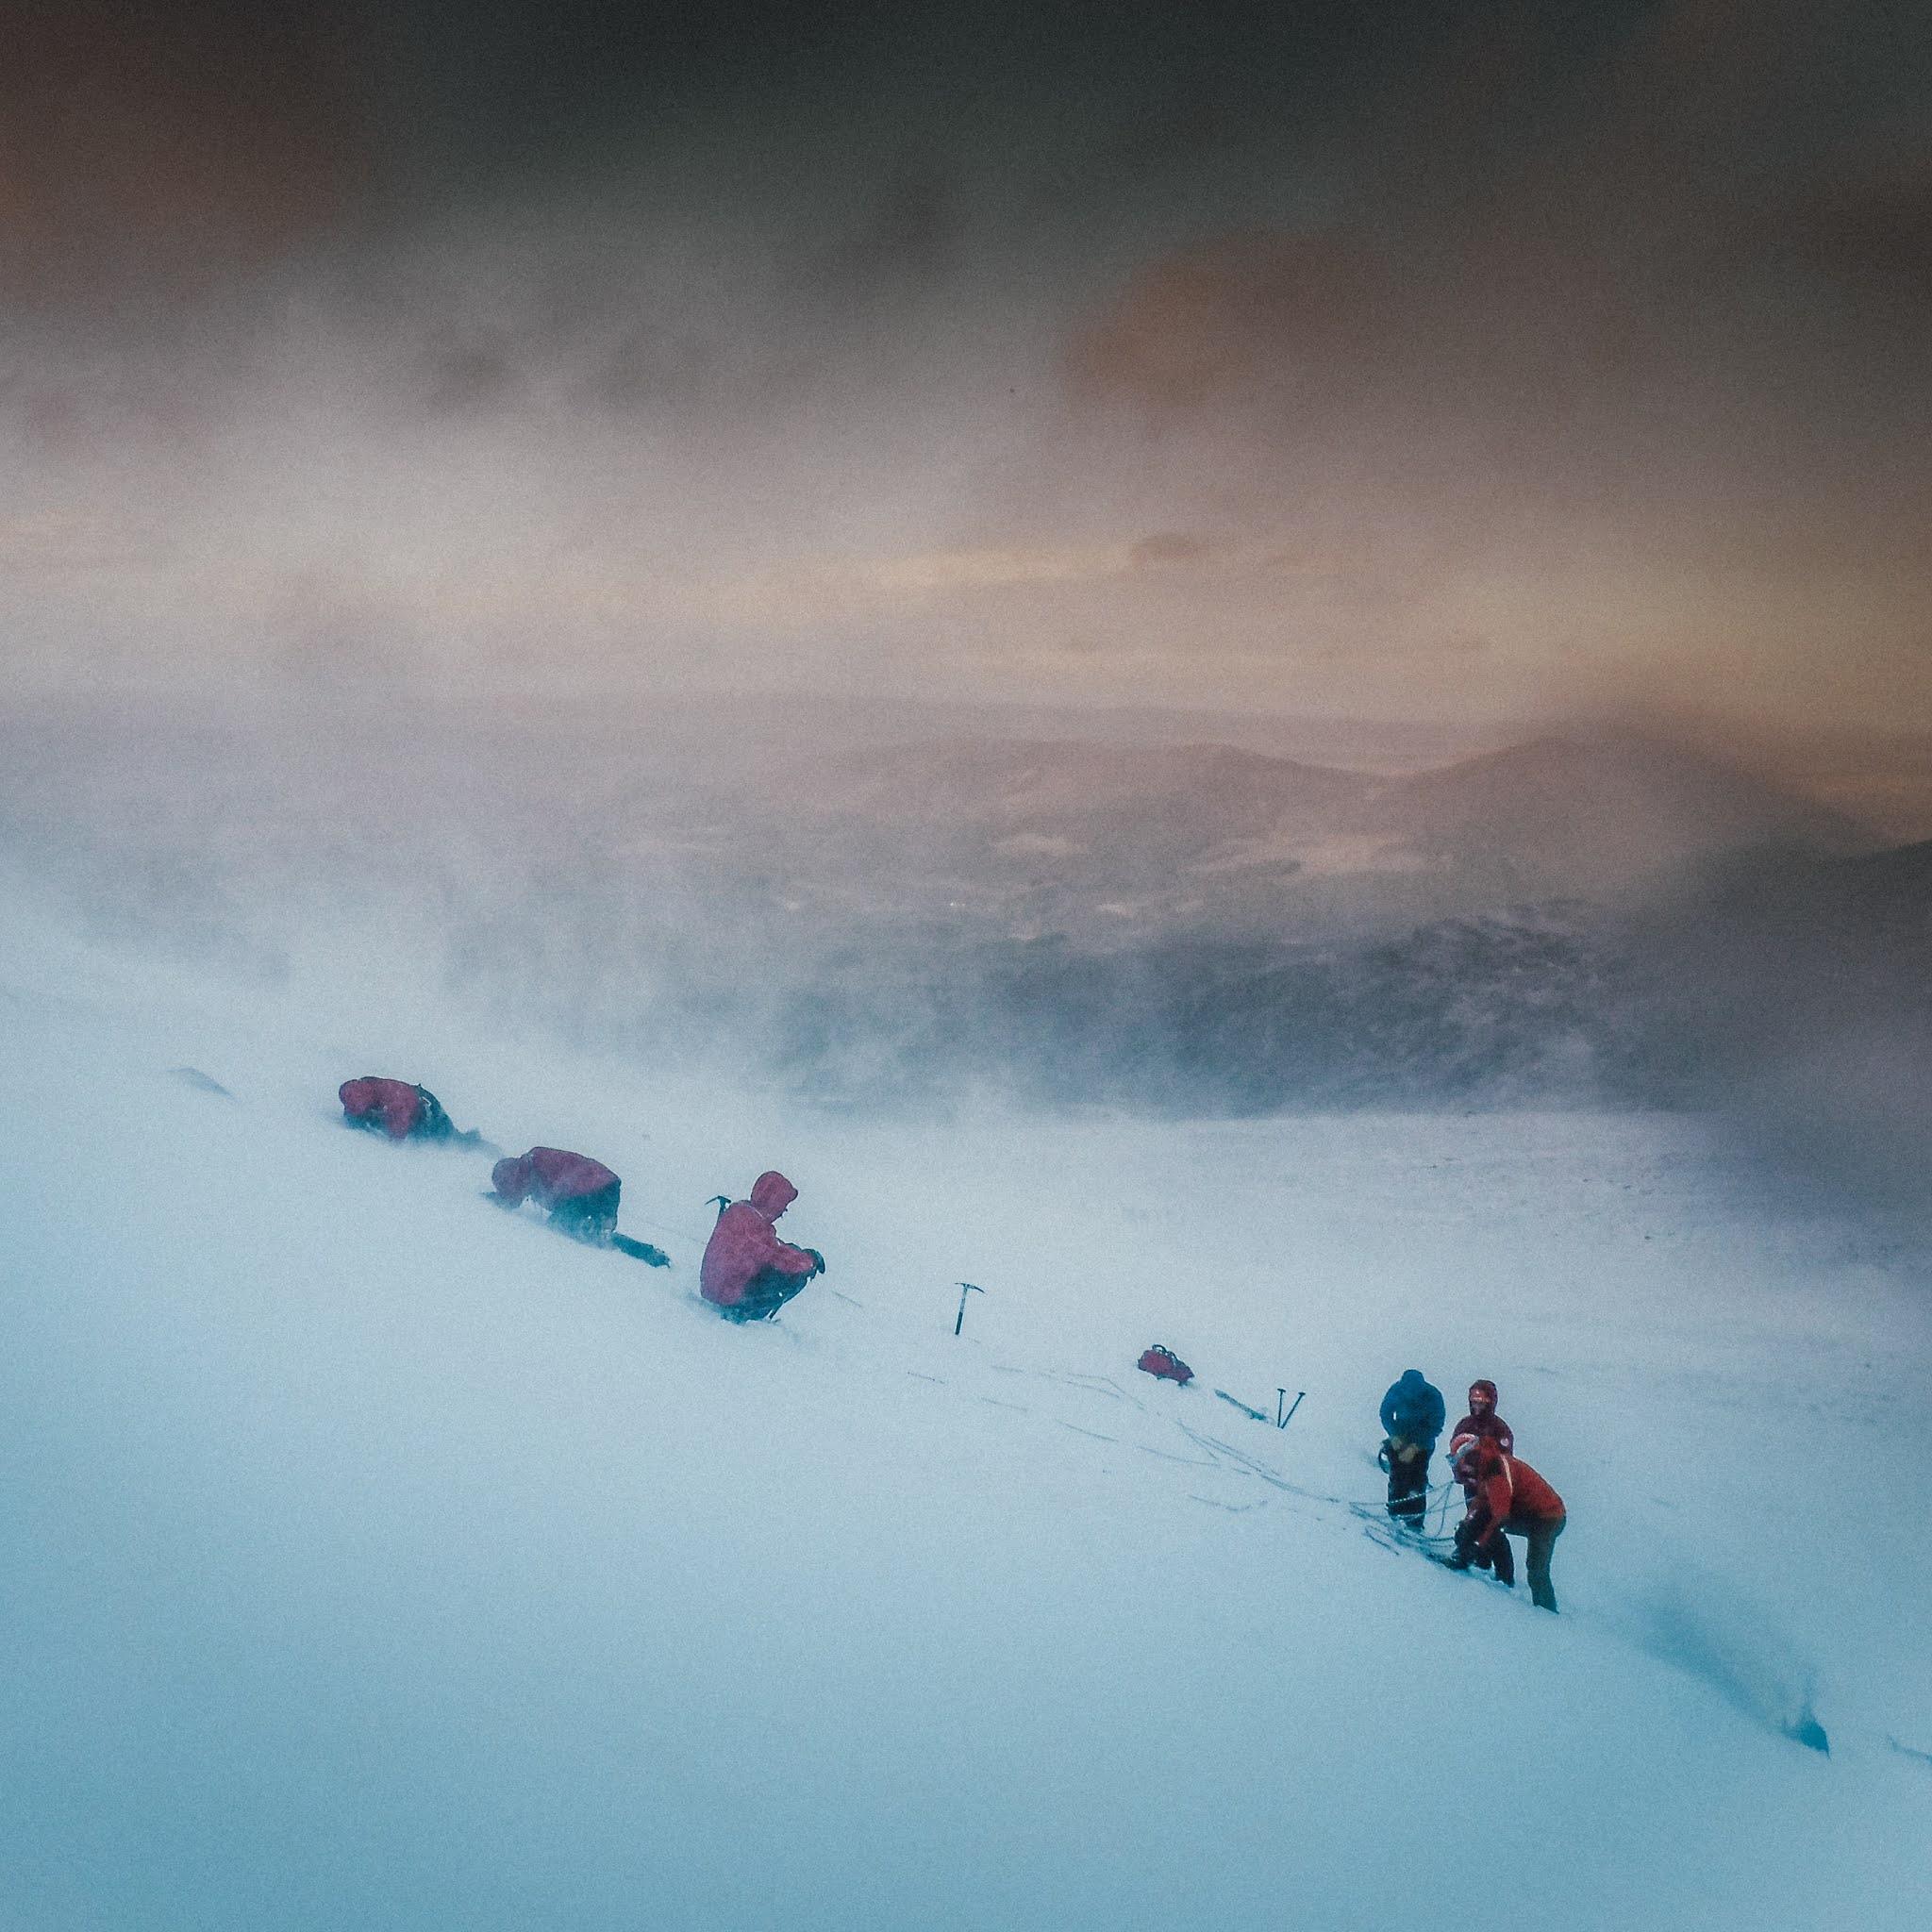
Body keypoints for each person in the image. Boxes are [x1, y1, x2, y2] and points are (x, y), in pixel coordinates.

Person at [1441, 1437, 1566, 1611]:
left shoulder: (1495, 1472)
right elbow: (1482, 1502)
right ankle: (1503, 1577)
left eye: (1458, 1461)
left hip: (1548, 1518)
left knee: (1536, 1569)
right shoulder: (1486, 1466)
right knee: (1481, 1524)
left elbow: (1500, 1516)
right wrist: (1467, 1524)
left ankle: (1547, 1612)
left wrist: (1478, 1544)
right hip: (1527, 1512)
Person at [700, 1172, 824, 1323]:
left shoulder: (741, 1212)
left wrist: (798, 1254)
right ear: (773, 1203)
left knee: (792, 1253)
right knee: (796, 1273)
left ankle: (741, 1306)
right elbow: (775, 1256)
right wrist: (810, 1262)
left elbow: (770, 1247)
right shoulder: (753, 1224)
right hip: (728, 1293)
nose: (782, 1213)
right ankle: (742, 1311)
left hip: (714, 1285)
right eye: (782, 1206)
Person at [491, 1147, 622, 1245]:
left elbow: (567, 1185)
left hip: (594, 1189)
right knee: (560, 1223)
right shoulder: (531, 1164)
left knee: (557, 1227)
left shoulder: (533, 1165)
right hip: (604, 1185)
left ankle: (594, 1228)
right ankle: (596, 1227)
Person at [1378, 1369, 1445, 1531]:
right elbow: (1385, 1413)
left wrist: (1416, 1446)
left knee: (1416, 1480)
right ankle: (1394, 1512)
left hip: (1423, 1443)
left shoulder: (1433, 1395)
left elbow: (1436, 1425)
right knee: (1397, 1475)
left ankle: (1415, 1522)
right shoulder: (1397, 1390)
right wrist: (1394, 1436)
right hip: (1399, 1438)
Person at [340, 1075, 474, 1143]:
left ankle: (478, 1145)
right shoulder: (363, 1090)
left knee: (454, 1140)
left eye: (354, 1106)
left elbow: (397, 1136)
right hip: (416, 1106)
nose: (350, 1109)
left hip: (429, 1115)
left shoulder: (393, 1099)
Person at [1448, 1378, 1514, 1465]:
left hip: (1491, 1475)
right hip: (1465, 1474)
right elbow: (1454, 1451)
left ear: (1490, 1404)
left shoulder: (1500, 1429)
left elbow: (1506, 1460)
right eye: (1474, 1403)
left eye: (1481, 1404)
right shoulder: (1464, 1425)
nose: (1477, 1408)